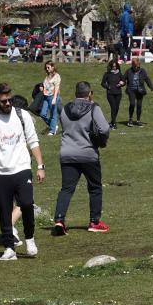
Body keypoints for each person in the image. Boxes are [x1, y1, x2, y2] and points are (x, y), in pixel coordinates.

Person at [0, 83, 45, 261]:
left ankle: (30, 238)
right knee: (4, 212)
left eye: (10, 100)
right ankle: (9, 248)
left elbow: (33, 141)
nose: (8, 104)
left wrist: (40, 166)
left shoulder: (22, 115)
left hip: (22, 168)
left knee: (26, 203)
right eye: (3, 101)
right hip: (1, 173)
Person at [52, 81, 110, 235]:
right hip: (88, 154)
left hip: (67, 153)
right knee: (95, 188)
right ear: (89, 93)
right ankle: (94, 222)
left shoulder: (65, 109)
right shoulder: (93, 108)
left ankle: (59, 220)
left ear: (75, 93)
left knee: (66, 189)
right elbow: (104, 128)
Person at [123, 59, 153, 127]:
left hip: (140, 90)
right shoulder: (128, 71)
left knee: (139, 105)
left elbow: (147, 79)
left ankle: (138, 120)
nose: (136, 68)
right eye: (135, 66)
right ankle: (130, 120)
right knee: (132, 104)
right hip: (131, 90)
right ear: (133, 65)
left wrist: (151, 88)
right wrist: (121, 83)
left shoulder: (142, 71)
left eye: (137, 66)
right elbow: (123, 79)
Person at [100, 60, 125, 129]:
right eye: (113, 66)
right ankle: (113, 123)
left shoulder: (119, 73)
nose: (114, 67)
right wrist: (108, 87)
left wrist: (121, 84)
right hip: (110, 93)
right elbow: (102, 83)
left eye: (115, 66)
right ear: (110, 66)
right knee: (113, 107)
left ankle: (112, 121)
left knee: (117, 108)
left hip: (118, 93)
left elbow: (124, 82)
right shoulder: (107, 74)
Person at [39, 61, 61, 136]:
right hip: (46, 97)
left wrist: (54, 98)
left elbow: (57, 88)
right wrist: (42, 87)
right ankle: (53, 126)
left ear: (53, 67)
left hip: (53, 96)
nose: (47, 69)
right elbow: (45, 84)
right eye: (46, 67)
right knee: (42, 114)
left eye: (48, 67)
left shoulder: (57, 76)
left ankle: (52, 131)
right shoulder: (47, 76)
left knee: (53, 114)